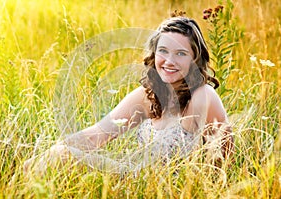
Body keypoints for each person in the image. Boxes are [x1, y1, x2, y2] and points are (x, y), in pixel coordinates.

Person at [23, 12, 234, 176]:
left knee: (65, 157)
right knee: (61, 155)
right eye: (163, 51)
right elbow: (98, 134)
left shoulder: (203, 95)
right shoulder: (147, 96)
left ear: (194, 60)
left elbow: (226, 155)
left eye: (181, 53)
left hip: (172, 189)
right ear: (154, 54)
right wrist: (51, 150)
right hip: (134, 178)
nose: (169, 61)